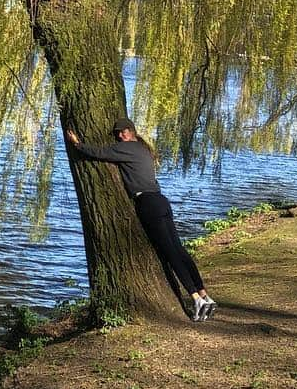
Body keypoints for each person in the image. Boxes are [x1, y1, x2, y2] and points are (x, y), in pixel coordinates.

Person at [64, 116, 216, 322]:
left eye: (121, 132)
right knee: (179, 250)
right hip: (161, 201)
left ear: (130, 131)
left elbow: (99, 153)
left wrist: (77, 144)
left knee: (170, 253)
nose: (118, 136)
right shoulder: (144, 150)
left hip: (147, 203)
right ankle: (205, 295)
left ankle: (196, 298)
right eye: (116, 133)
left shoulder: (127, 148)